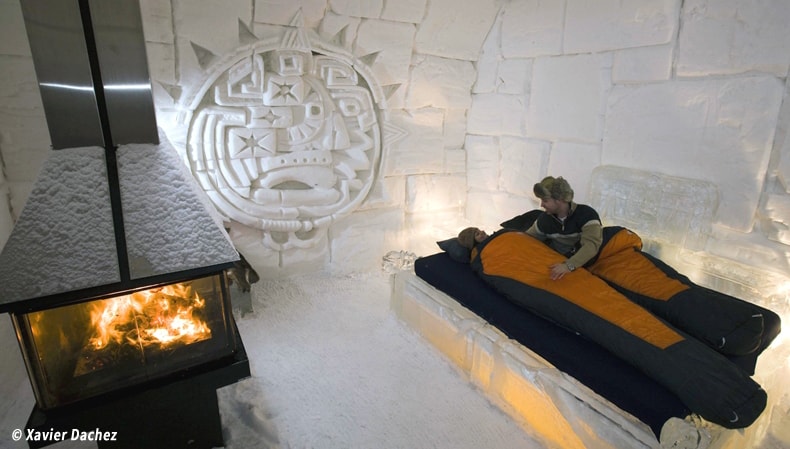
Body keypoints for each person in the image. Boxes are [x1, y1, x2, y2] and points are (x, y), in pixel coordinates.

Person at [525, 176, 602, 280]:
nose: (542, 204)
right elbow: (526, 239)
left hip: (583, 264)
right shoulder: (545, 220)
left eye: (545, 200)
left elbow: (591, 246)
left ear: (559, 199)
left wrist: (568, 266)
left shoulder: (587, 215)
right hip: (558, 262)